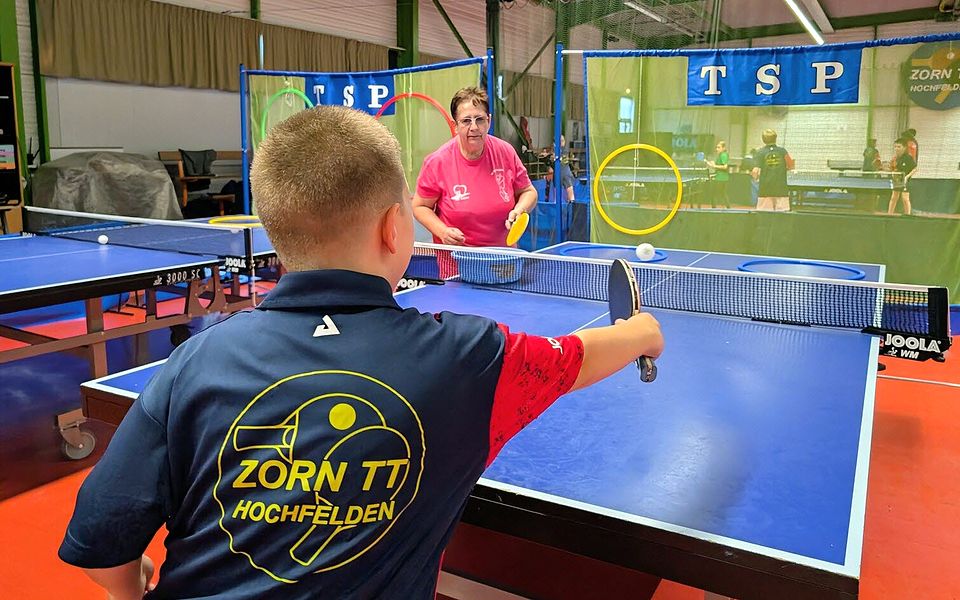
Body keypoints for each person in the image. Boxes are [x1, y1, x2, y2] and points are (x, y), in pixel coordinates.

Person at [58, 105, 664, 599]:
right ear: (392, 229)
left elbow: (100, 536)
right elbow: (579, 355)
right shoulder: (468, 357)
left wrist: (129, 591)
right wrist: (642, 331)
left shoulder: (195, 361)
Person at [414, 87, 538, 246]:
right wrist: (442, 231)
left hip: (503, 259)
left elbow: (528, 191)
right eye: (466, 121)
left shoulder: (505, 152)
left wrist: (520, 209)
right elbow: (420, 206)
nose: (474, 127)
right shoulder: (437, 162)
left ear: (489, 121)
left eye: (480, 119)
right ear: (455, 126)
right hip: (457, 260)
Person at [752, 129, 795, 212]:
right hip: (781, 188)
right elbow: (791, 166)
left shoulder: (760, 152)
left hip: (765, 189)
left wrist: (756, 179)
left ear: (763, 139)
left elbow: (755, 171)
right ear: (775, 138)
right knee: (782, 215)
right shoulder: (783, 151)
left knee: (765, 215)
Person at [887, 137, 917, 215]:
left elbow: (915, 169)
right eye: (895, 146)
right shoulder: (895, 158)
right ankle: (889, 214)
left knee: (905, 198)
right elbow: (892, 168)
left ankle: (907, 215)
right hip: (897, 180)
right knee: (894, 197)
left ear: (904, 148)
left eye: (899, 147)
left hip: (905, 181)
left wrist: (907, 177)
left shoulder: (908, 157)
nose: (896, 148)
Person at [705, 140, 730, 208]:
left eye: (719, 147)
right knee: (722, 194)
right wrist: (710, 163)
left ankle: (714, 209)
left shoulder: (723, 155)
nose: (717, 149)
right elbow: (717, 166)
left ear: (723, 148)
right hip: (721, 177)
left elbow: (725, 166)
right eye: (716, 147)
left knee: (714, 193)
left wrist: (714, 166)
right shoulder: (720, 155)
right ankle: (728, 208)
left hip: (721, 178)